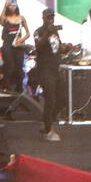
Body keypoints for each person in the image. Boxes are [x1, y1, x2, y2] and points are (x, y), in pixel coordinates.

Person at [31, 8, 68, 141]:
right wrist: (48, 32)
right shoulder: (39, 32)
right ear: (43, 18)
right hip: (45, 70)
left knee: (62, 98)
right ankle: (49, 130)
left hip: (56, 68)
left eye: (52, 17)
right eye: (48, 17)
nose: (50, 19)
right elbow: (38, 47)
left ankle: (48, 121)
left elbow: (59, 47)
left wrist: (67, 48)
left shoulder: (55, 32)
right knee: (50, 99)